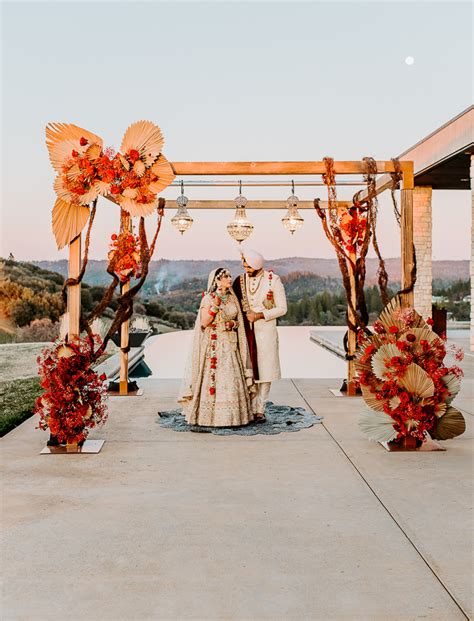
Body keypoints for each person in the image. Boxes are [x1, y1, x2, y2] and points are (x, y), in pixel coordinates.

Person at [179, 267, 255, 427]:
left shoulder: (233, 299)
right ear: (217, 281)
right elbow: (204, 322)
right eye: (226, 276)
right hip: (214, 345)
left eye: (229, 276)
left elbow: (239, 322)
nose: (229, 279)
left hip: (231, 345)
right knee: (214, 379)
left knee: (232, 376)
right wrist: (214, 307)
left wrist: (232, 324)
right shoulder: (209, 298)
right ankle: (211, 417)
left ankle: (234, 417)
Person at [233, 249, 287, 422]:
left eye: (248, 265)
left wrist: (259, 315)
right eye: (244, 264)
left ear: (256, 265)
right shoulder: (239, 281)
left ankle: (260, 409)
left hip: (265, 333)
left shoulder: (273, 280)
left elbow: (282, 308)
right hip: (244, 332)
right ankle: (247, 407)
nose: (245, 267)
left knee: (264, 372)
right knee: (246, 369)